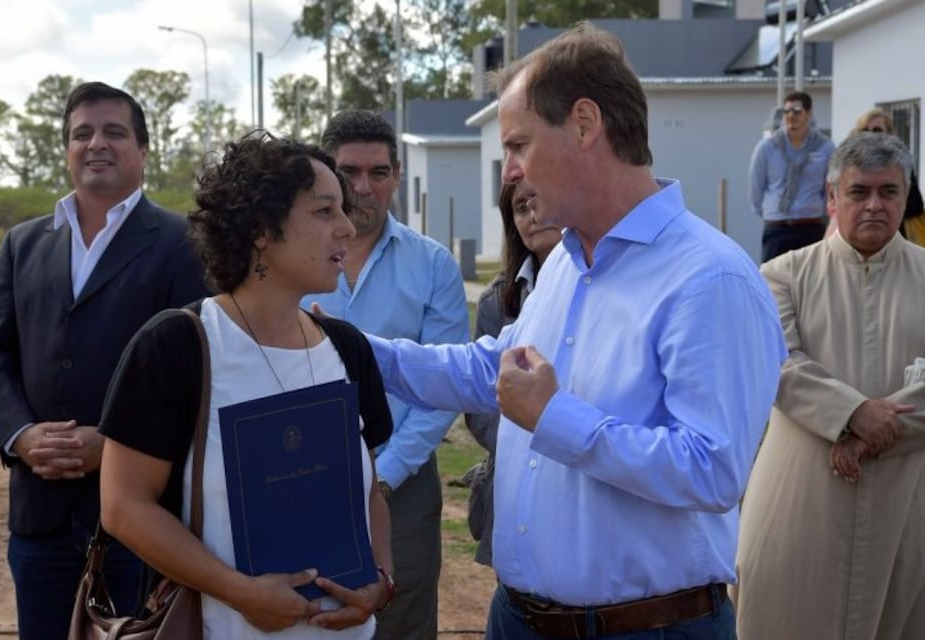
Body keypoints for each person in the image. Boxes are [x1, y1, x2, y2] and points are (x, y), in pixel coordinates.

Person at [362, 22, 786, 639]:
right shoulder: (565, 261)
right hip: (518, 617)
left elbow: (713, 471)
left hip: (645, 628)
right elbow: (497, 372)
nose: (509, 172)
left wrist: (554, 417)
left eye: (519, 145)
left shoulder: (710, 278)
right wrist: (354, 350)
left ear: (586, 125)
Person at [98, 132, 396, 638]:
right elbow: (123, 508)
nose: (347, 228)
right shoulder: (178, 347)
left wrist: (381, 580)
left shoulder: (347, 349)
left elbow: (367, 492)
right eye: (325, 212)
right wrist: (238, 592)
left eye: (343, 211)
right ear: (261, 229)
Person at [0, 81, 210, 640]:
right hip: (39, 516)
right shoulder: (23, 244)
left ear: (144, 151)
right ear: (68, 149)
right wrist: (21, 435)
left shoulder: (183, 243)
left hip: (140, 522)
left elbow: (197, 371)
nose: (97, 143)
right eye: (83, 133)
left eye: (114, 132)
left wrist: (118, 444)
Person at [734, 133, 925, 639]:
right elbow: (778, 364)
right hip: (801, 489)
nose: (875, 205)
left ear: (906, 197)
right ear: (832, 197)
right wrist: (851, 416)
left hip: (908, 491)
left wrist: (867, 432)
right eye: (859, 192)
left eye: (889, 192)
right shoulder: (781, 275)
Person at [303, 110, 469, 640]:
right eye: (348, 172)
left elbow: (443, 389)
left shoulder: (433, 264)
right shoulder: (290, 262)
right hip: (299, 474)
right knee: (308, 615)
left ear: (398, 175)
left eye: (378, 172)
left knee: (402, 616)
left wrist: (385, 472)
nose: (362, 187)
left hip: (403, 483)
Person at [463, 181, 561, 566]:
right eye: (520, 208)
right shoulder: (496, 301)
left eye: (539, 202)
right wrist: (542, 437)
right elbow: (480, 406)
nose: (532, 216)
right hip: (516, 482)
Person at [749, 90, 836, 262]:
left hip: (810, 226)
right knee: (772, 282)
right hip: (777, 227)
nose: (790, 116)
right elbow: (756, 189)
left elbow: (830, 186)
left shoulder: (824, 147)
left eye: (796, 111)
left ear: (808, 114)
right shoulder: (768, 147)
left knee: (811, 283)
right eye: (786, 111)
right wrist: (770, 213)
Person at [825, 108, 925, 243]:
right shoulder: (846, 162)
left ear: (888, 133)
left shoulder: (899, 165)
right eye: (865, 130)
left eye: (877, 130)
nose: (871, 135)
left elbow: (916, 205)